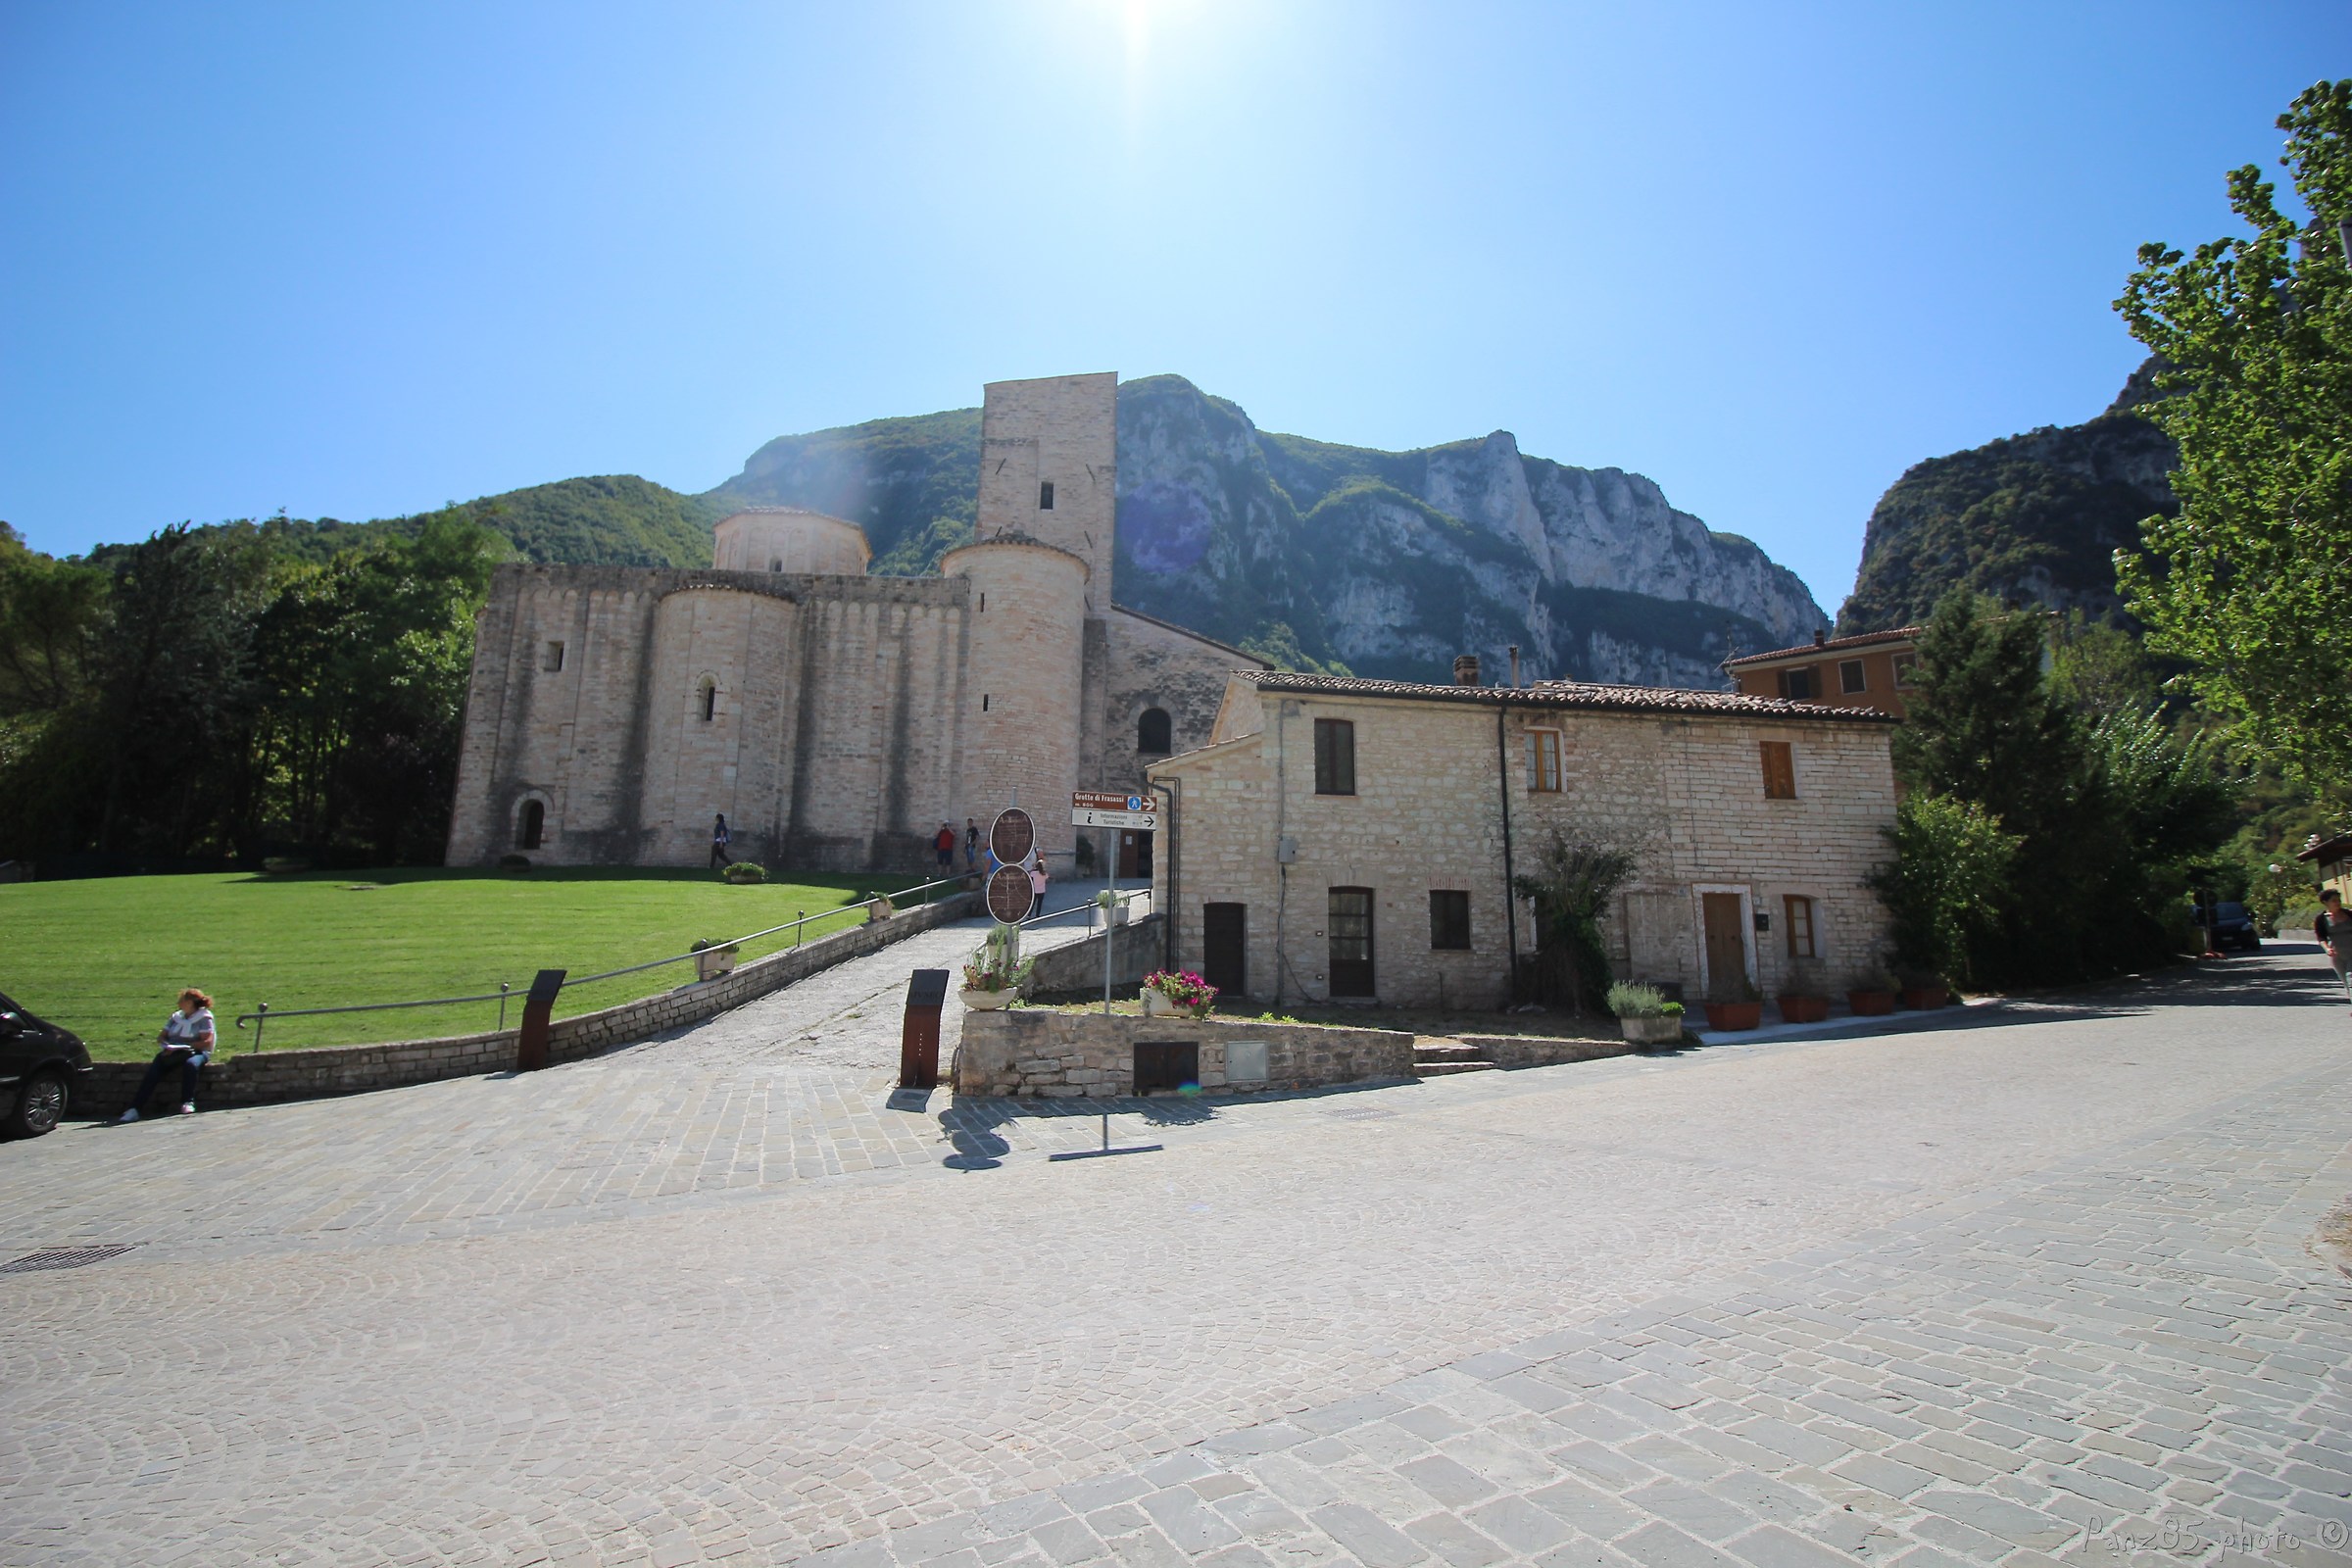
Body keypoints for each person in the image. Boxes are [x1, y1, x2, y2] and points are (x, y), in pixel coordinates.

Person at [120, 989, 215, 1121]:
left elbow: (206, 1041)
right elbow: (162, 1037)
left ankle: (187, 1102)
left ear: (189, 1002)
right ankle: (134, 1108)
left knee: (191, 1065)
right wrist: (167, 1045)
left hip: (196, 1052)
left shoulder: (204, 1017)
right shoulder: (176, 1017)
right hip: (173, 1052)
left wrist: (187, 1047)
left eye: (181, 1000)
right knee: (155, 1069)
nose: (178, 1003)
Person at [2318, 889, 2352, 1004]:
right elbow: (2321, 938)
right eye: (2334, 901)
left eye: (2339, 900)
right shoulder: (2321, 919)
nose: (2338, 903)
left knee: (2351, 979)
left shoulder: (2349, 914)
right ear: (2325, 902)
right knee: (2346, 982)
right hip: (2337, 955)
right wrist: (2327, 949)